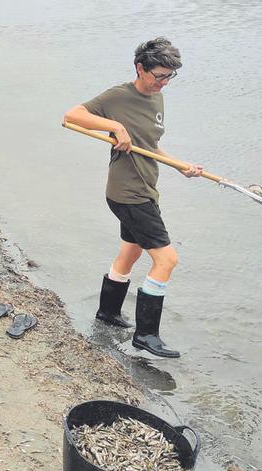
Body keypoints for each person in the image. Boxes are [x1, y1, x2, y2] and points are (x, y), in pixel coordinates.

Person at [62, 37, 203, 359]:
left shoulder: (157, 99)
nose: (164, 83)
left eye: (170, 77)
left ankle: (108, 314)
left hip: (145, 189)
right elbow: (71, 115)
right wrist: (115, 127)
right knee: (167, 260)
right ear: (141, 68)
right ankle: (146, 335)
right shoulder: (118, 96)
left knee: (131, 251)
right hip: (129, 194)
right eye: (159, 76)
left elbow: (150, 146)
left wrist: (180, 165)